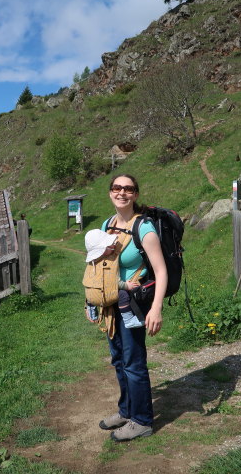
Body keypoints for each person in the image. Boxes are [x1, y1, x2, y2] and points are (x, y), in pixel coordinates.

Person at [86, 174, 167, 442]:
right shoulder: (106, 225)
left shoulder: (144, 228)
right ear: (110, 192)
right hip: (111, 302)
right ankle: (126, 411)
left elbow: (161, 270)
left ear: (136, 194)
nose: (122, 192)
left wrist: (156, 309)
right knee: (119, 359)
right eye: (117, 188)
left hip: (133, 304)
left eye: (128, 188)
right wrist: (91, 300)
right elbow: (98, 266)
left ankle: (142, 421)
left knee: (133, 362)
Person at [84, 229, 143, 328]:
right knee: (123, 294)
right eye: (109, 245)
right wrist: (126, 285)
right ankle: (128, 320)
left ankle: (91, 310)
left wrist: (111, 236)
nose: (113, 245)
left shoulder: (94, 261)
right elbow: (113, 282)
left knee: (93, 290)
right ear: (102, 250)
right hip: (104, 296)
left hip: (91, 295)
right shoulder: (108, 263)